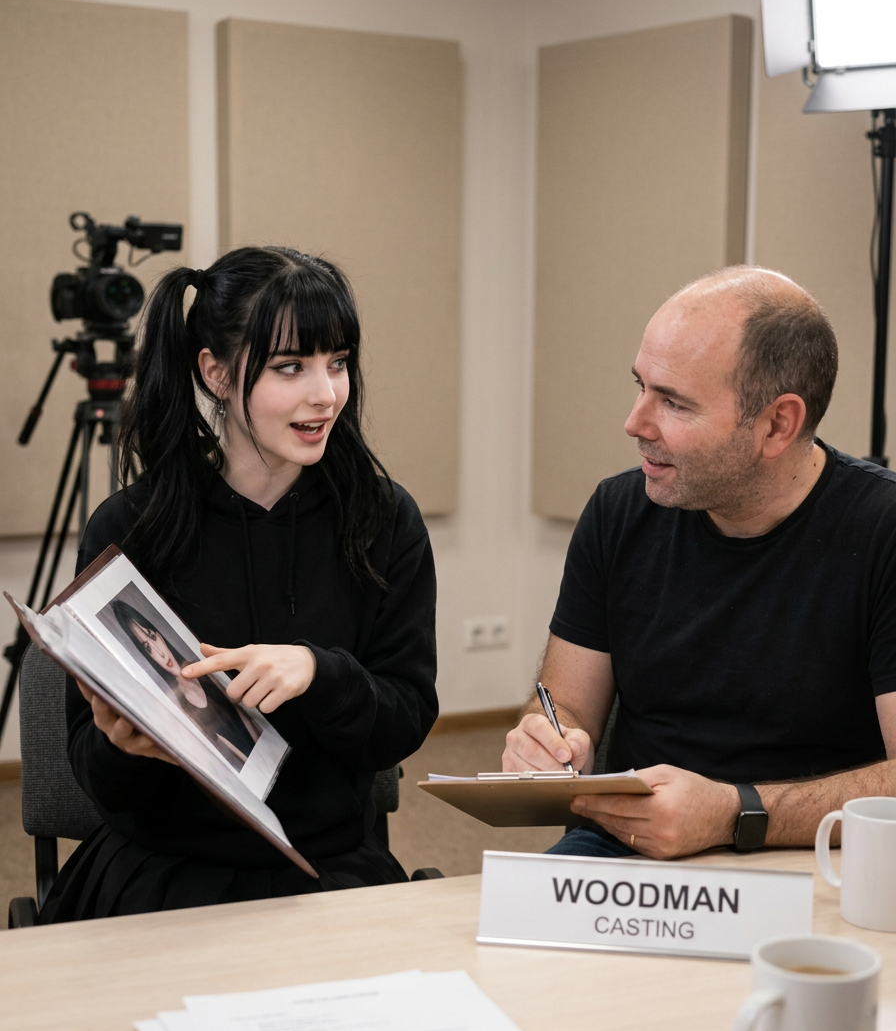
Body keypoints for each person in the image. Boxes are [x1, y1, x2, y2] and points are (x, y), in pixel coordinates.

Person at [40, 246, 437, 921]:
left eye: (338, 362)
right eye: (291, 367)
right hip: (162, 868)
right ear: (216, 373)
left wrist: (319, 673)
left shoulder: (383, 519)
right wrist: (121, 747)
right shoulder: (131, 527)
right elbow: (97, 776)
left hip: (324, 865)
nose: (326, 394)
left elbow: (404, 719)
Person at [504, 266, 896, 860]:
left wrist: (733, 812)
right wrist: (546, 740)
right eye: (640, 386)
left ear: (777, 424)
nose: (635, 423)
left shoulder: (881, 531)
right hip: (629, 846)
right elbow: (566, 706)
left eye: (674, 403)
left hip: (820, 853)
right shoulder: (618, 512)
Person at [109, 597, 260, 769]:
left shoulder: (203, 669)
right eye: (148, 648)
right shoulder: (180, 707)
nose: (160, 653)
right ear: (147, 656)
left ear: (160, 635)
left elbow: (245, 716)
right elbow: (228, 749)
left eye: (152, 636)